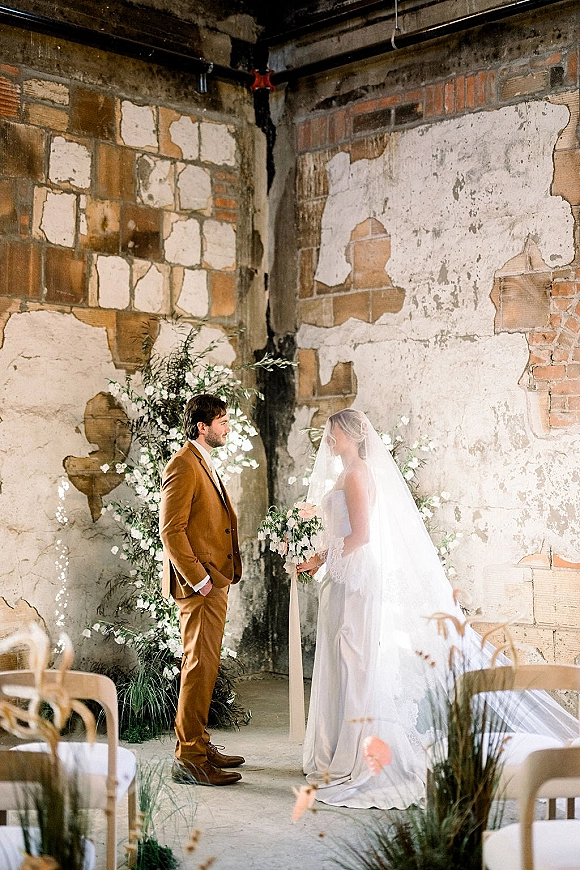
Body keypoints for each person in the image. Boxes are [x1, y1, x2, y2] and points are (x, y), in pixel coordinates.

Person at [298, 408, 577, 809]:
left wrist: (321, 557)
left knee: (355, 662)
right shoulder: (344, 474)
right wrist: (311, 546)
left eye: (334, 432)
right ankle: (336, 747)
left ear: (352, 437)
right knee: (342, 661)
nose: (328, 438)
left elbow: (360, 534)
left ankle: (357, 753)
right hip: (340, 579)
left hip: (355, 579)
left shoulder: (358, 474)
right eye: (329, 432)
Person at [160, 393, 244, 786]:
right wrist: (201, 579)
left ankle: (199, 742)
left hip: (214, 581)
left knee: (205, 667)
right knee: (197, 667)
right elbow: (170, 530)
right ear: (202, 426)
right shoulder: (182, 464)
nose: (227, 428)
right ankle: (190, 758)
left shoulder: (201, 460)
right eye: (223, 421)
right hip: (201, 586)